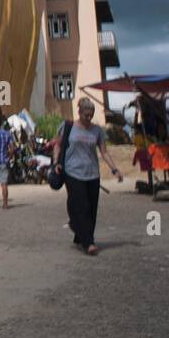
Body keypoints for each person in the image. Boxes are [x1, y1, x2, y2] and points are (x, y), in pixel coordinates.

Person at [53, 98, 124, 255]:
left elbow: (104, 152)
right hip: (72, 172)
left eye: (91, 115)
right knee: (82, 206)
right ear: (79, 112)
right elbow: (57, 144)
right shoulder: (68, 127)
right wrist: (56, 162)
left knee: (91, 209)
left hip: (92, 173)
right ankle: (89, 243)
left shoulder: (97, 130)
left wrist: (114, 169)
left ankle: (79, 235)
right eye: (86, 115)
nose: (88, 118)